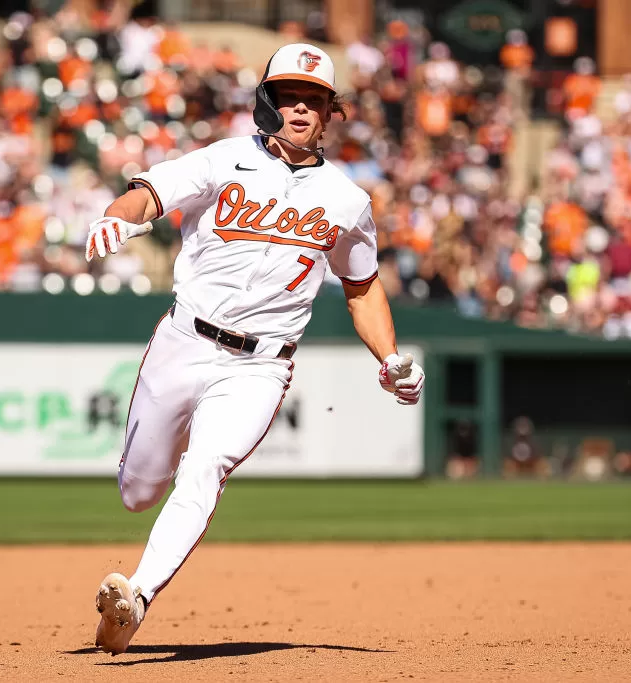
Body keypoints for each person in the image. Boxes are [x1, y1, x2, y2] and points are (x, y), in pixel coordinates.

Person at [82, 43, 426, 655]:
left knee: (206, 466)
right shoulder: (222, 159)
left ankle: (136, 596)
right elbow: (148, 194)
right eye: (290, 97)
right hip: (184, 341)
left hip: (262, 363)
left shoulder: (347, 200)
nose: (301, 110)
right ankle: (151, 490)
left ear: (331, 114)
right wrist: (118, 217)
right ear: (268, 102)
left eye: (315, 101)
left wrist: (389, 357)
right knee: (137, 493)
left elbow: (362, 286)